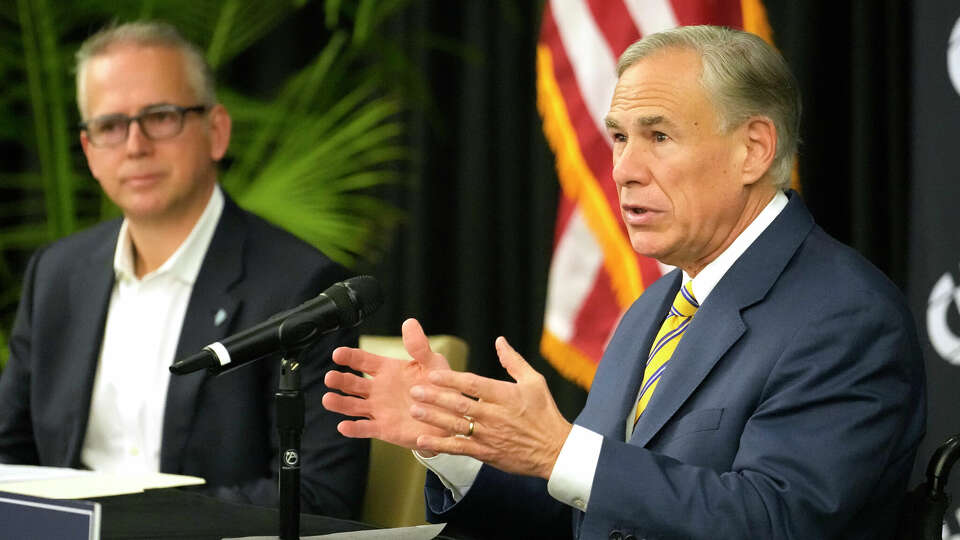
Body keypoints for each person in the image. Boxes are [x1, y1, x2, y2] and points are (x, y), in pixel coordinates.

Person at [322, 25, 926, 538]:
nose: (623, 170)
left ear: (754, 149)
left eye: (658, 137)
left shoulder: (845, 316)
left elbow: (777, 520)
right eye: (618, 137)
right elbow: (590, 515)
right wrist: (460, 449)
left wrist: (561, 452)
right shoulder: (654, 308)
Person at [0, 21, 368, 518]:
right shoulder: (55, 276)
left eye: (161, 116)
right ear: (89, 151)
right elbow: (9, 455)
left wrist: (134, 523)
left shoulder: (301, 288)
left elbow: (318, 497)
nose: (135, 145)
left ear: (216, 131)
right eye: (110, 125)